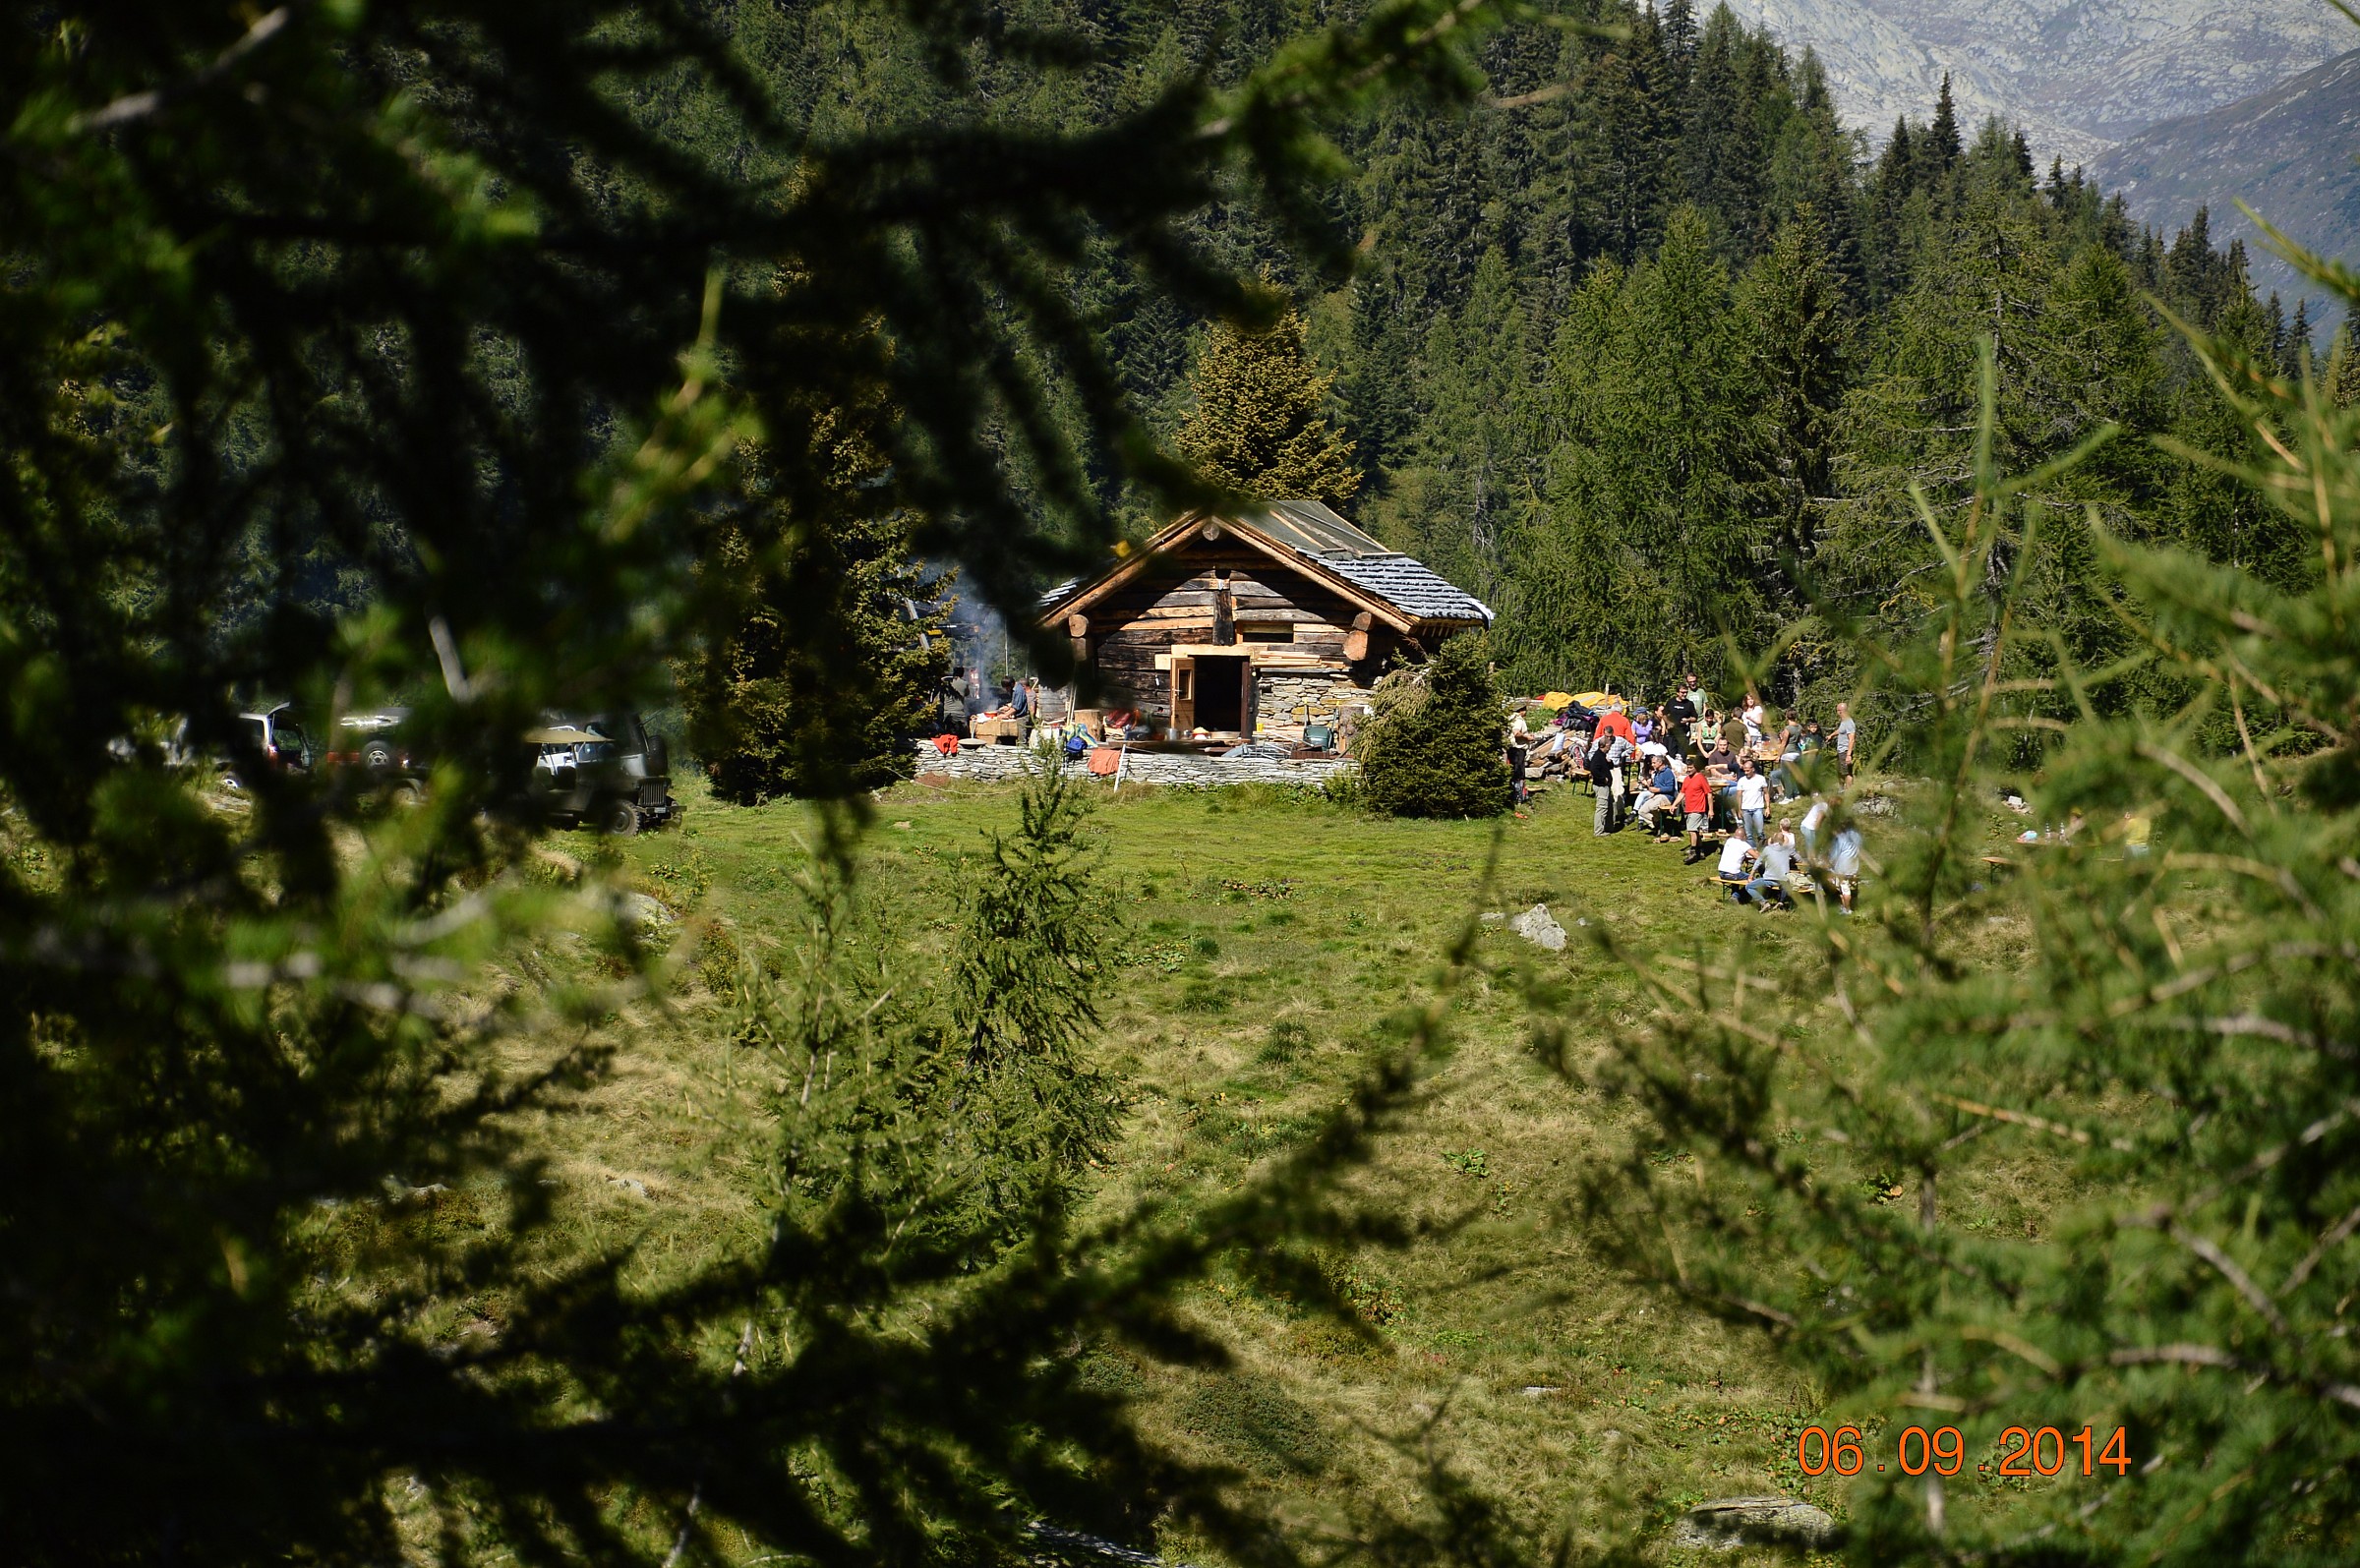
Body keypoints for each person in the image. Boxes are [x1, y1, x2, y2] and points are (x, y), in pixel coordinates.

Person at [1747, 822, 1799, 910]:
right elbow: (1799, 859)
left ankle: (1764, 902)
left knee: (1749, 886)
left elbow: (1758, 862)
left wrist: (1751, 874)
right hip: (1783, 879)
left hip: (1769, 879)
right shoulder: (1787, 849)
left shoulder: (1767, 849)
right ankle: (1781, 902)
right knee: (1786, 883)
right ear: (1783, 840)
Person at [1679, 761, 1714, 864]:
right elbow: (1682, 793)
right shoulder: (1686, 779)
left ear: (1696, 768)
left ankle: (1693, 852)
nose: (1688, 769)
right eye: (1687, 767)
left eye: (1690, 767)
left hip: (1698, 808)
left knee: (1691, 830)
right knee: (1695, 831)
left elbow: (1709, 794)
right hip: (1688, 808)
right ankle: (1700, 850)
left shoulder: (1701, 778)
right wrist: (1674, 804)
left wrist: (1710, 810)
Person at [1827, 823, 1863, 912]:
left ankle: (1847, 909)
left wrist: (1829, 862)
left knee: (1844, 888)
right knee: (1845, 887)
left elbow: (1835, 854)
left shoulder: (1841, 838)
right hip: (1854, 866)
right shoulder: (1858, 836)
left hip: (1843, 868)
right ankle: (1844, 906)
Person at [1735, 755, 1770, 845]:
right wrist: (1739, 810)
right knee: (1749, 833)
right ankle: (1753, 851)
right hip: (1746, 808)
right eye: (1744, 770)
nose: (1746, 773)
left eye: (1748, 770)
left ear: (1753, 769)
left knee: (1760, 831)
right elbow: (1739, 796)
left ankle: (1763, 848)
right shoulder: (1742, 781)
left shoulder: (1761, 779)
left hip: (1758, 808)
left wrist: (1768, 807)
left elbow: (1766, 793)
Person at [1715, 833, 1759, 902]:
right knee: (1755, 880)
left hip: (1722, 872)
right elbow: (1756, 857)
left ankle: (1734, 895)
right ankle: (1737, 896)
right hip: (1733, 874)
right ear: (1744, 837)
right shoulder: (1743, 844)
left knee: (1737, 871)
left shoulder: (1729, 841)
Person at [1588, 732, 1617, 835]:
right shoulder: (1597, 757)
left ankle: (1609, 827)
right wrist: (1603, 779)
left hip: (1606, 786)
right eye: (1608, 746)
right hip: (1601, 786)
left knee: (1610, 806)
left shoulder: (1603, 756)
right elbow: (1593, 770)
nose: (1609, 748)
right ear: (1602, 746)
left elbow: (1609, 766)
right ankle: (1598, 831)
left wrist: (1609, 762)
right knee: (1602, 808)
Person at [1799, 793, 1830, 859]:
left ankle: (1813, 859)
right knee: (1812, 847)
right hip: (1808, 827)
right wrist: (1818, 831)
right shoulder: (1825, 807)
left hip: (1806, 826)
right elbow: (1818, 821)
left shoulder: (1823, 805)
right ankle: (1813, 862)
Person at [1834, 701, 1858, 782]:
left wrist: (1848, 755)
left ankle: (1849, 792)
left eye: (1837, 710)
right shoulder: (1844, 722)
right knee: (1841, 772)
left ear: (1840, 711)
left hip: (1845, 751)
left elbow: (1851, 739)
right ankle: (1843, 790)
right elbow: (1840, 730)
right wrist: (1831, 736)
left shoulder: (1848, 722)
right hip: (1841, 751)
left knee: (1847, 773)